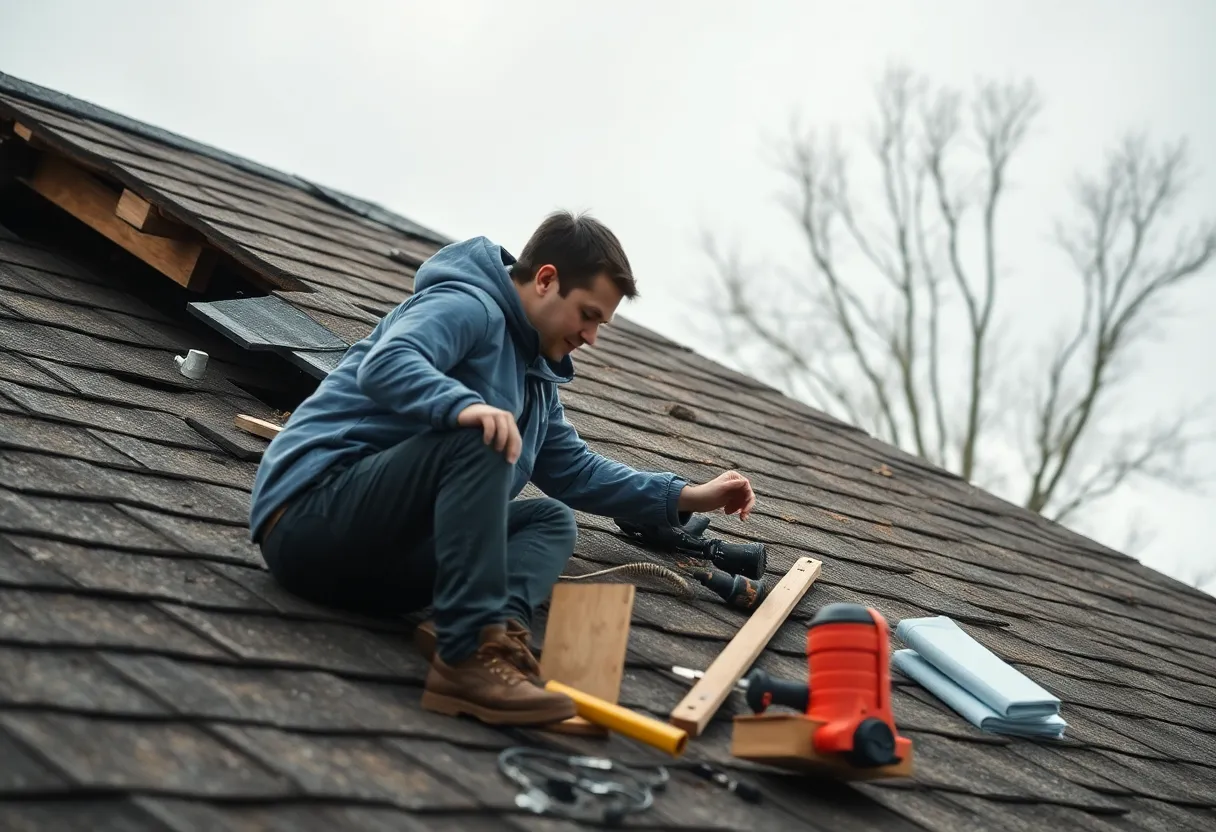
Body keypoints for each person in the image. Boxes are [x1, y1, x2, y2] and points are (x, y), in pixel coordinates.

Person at [248, 210, 756, 726]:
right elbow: (389, 361)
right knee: (487, 436)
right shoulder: (466, 304)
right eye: (588, 314)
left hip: (380, 571)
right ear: (546, 279)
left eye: (600, 323)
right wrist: (466, 408)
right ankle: (466, 655)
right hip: (308, 520)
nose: (591, 336)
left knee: (551, 518)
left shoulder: (534, 378)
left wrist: (691, 497)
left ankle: (490, 644)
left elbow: (574, 472)